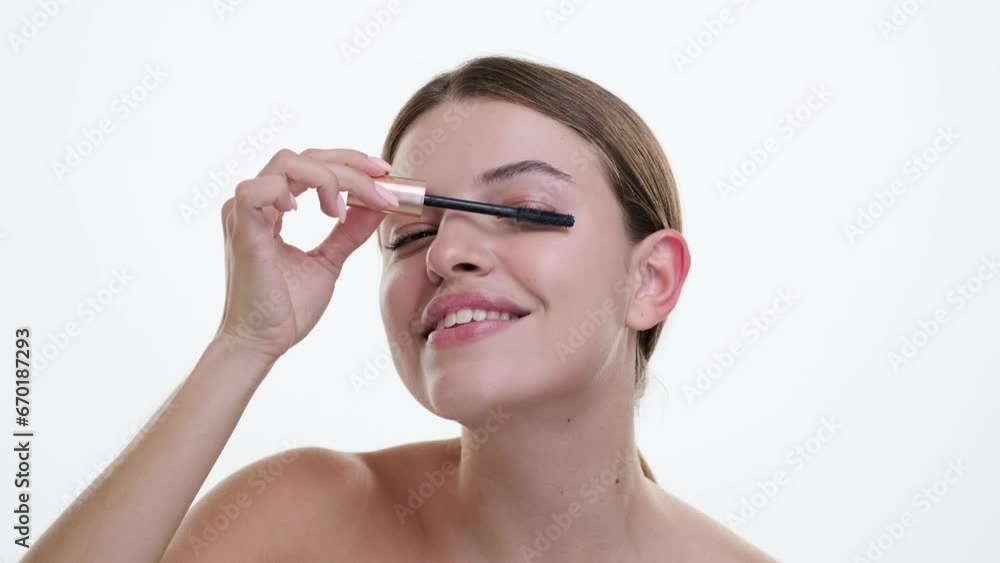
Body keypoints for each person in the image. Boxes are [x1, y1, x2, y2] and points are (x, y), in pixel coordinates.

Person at [24, 55, 777, 562]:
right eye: (412, 234)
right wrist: (244, 343)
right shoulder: (297, 519)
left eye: (523, 210)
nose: (446, 254)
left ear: (651, 279)